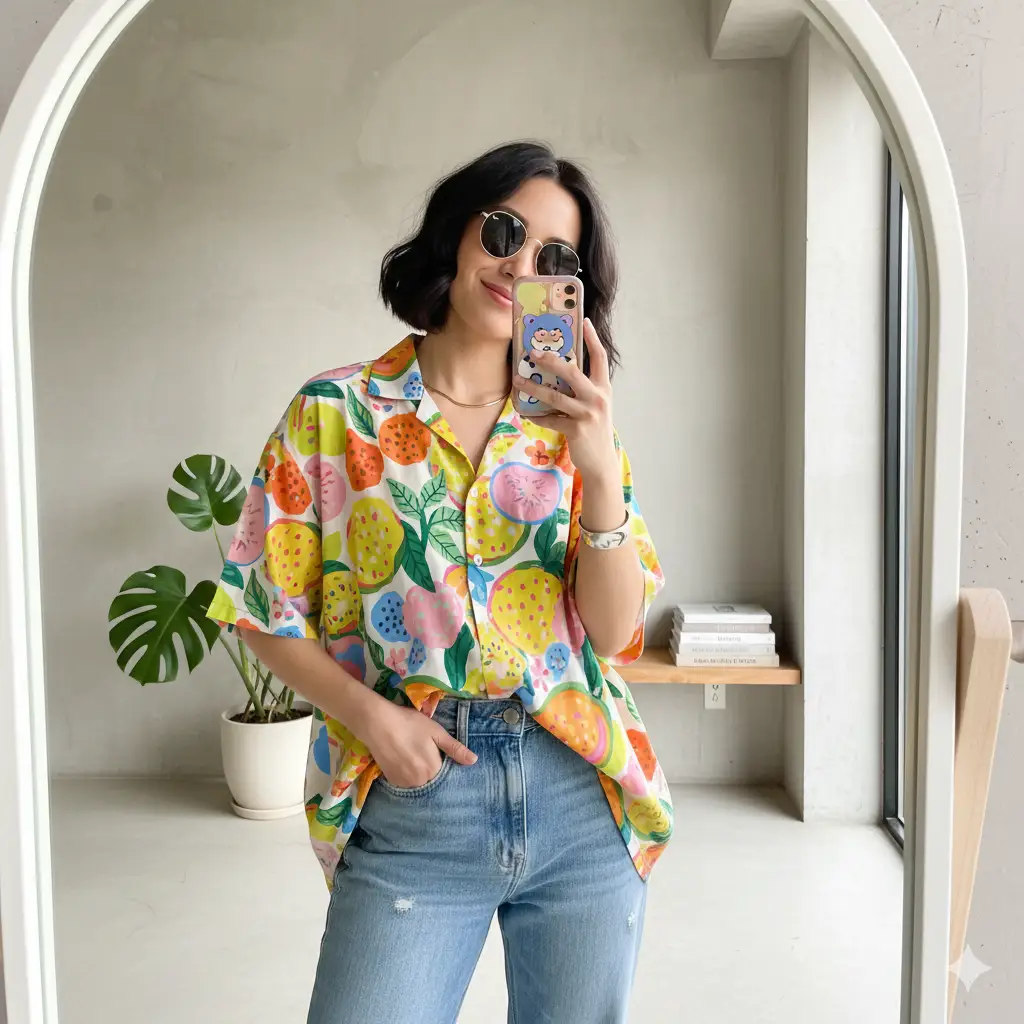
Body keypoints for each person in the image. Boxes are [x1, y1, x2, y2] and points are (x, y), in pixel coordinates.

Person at [206, 140, 673, 1024]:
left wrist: (598, 467)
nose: (519, 265)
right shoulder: (336, 412)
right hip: (420, 788)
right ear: (457, 235)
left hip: (578, 790)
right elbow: (258, 606)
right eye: (503, 231)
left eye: (554, 258)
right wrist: (375, 721)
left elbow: (612, 635)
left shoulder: (573, 431)